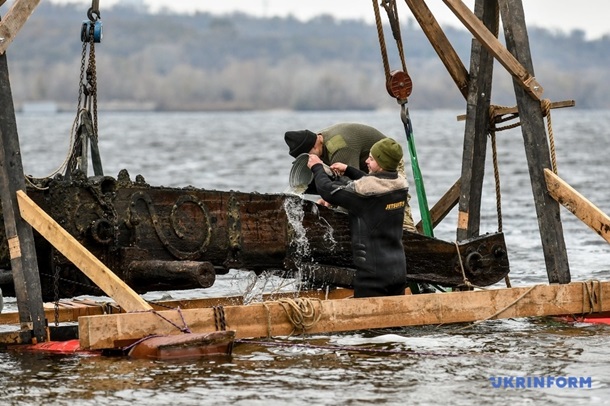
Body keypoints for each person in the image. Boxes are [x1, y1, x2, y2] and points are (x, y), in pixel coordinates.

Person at [306, 137, 408, 298]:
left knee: (371, 322)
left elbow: (327, 190)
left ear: (381, 164)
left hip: (373, 277)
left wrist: (317, 167)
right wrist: (348, 170)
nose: (366, 160)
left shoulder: (365, 194)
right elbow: (374, 182)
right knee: (395, 322)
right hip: (398, 271)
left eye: (372, 158)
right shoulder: (399, 186)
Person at [284, 123, 416, 232]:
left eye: (309, 156)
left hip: (385, 159)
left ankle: (409, 234)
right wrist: (327, 200)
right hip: (365, 164)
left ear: (314, 145)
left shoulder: (338, 147)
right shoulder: (317, 141)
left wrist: (332, 204)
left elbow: (351, 190)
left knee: (392, 200)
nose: (309, 161)